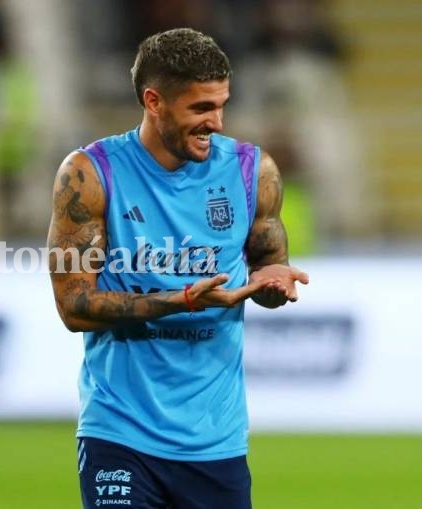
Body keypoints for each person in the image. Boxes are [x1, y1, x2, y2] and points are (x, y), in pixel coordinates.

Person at [47, 28, 309, 508]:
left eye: (221, 104)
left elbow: (269, 264)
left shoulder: (254, 171)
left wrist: (273, 284)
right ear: (154, 101)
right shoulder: (89, 174)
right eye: (201, 109)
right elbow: (73, 305)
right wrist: (183, 301)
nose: (217, 121)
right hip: (120, 432)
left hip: (216, 440)